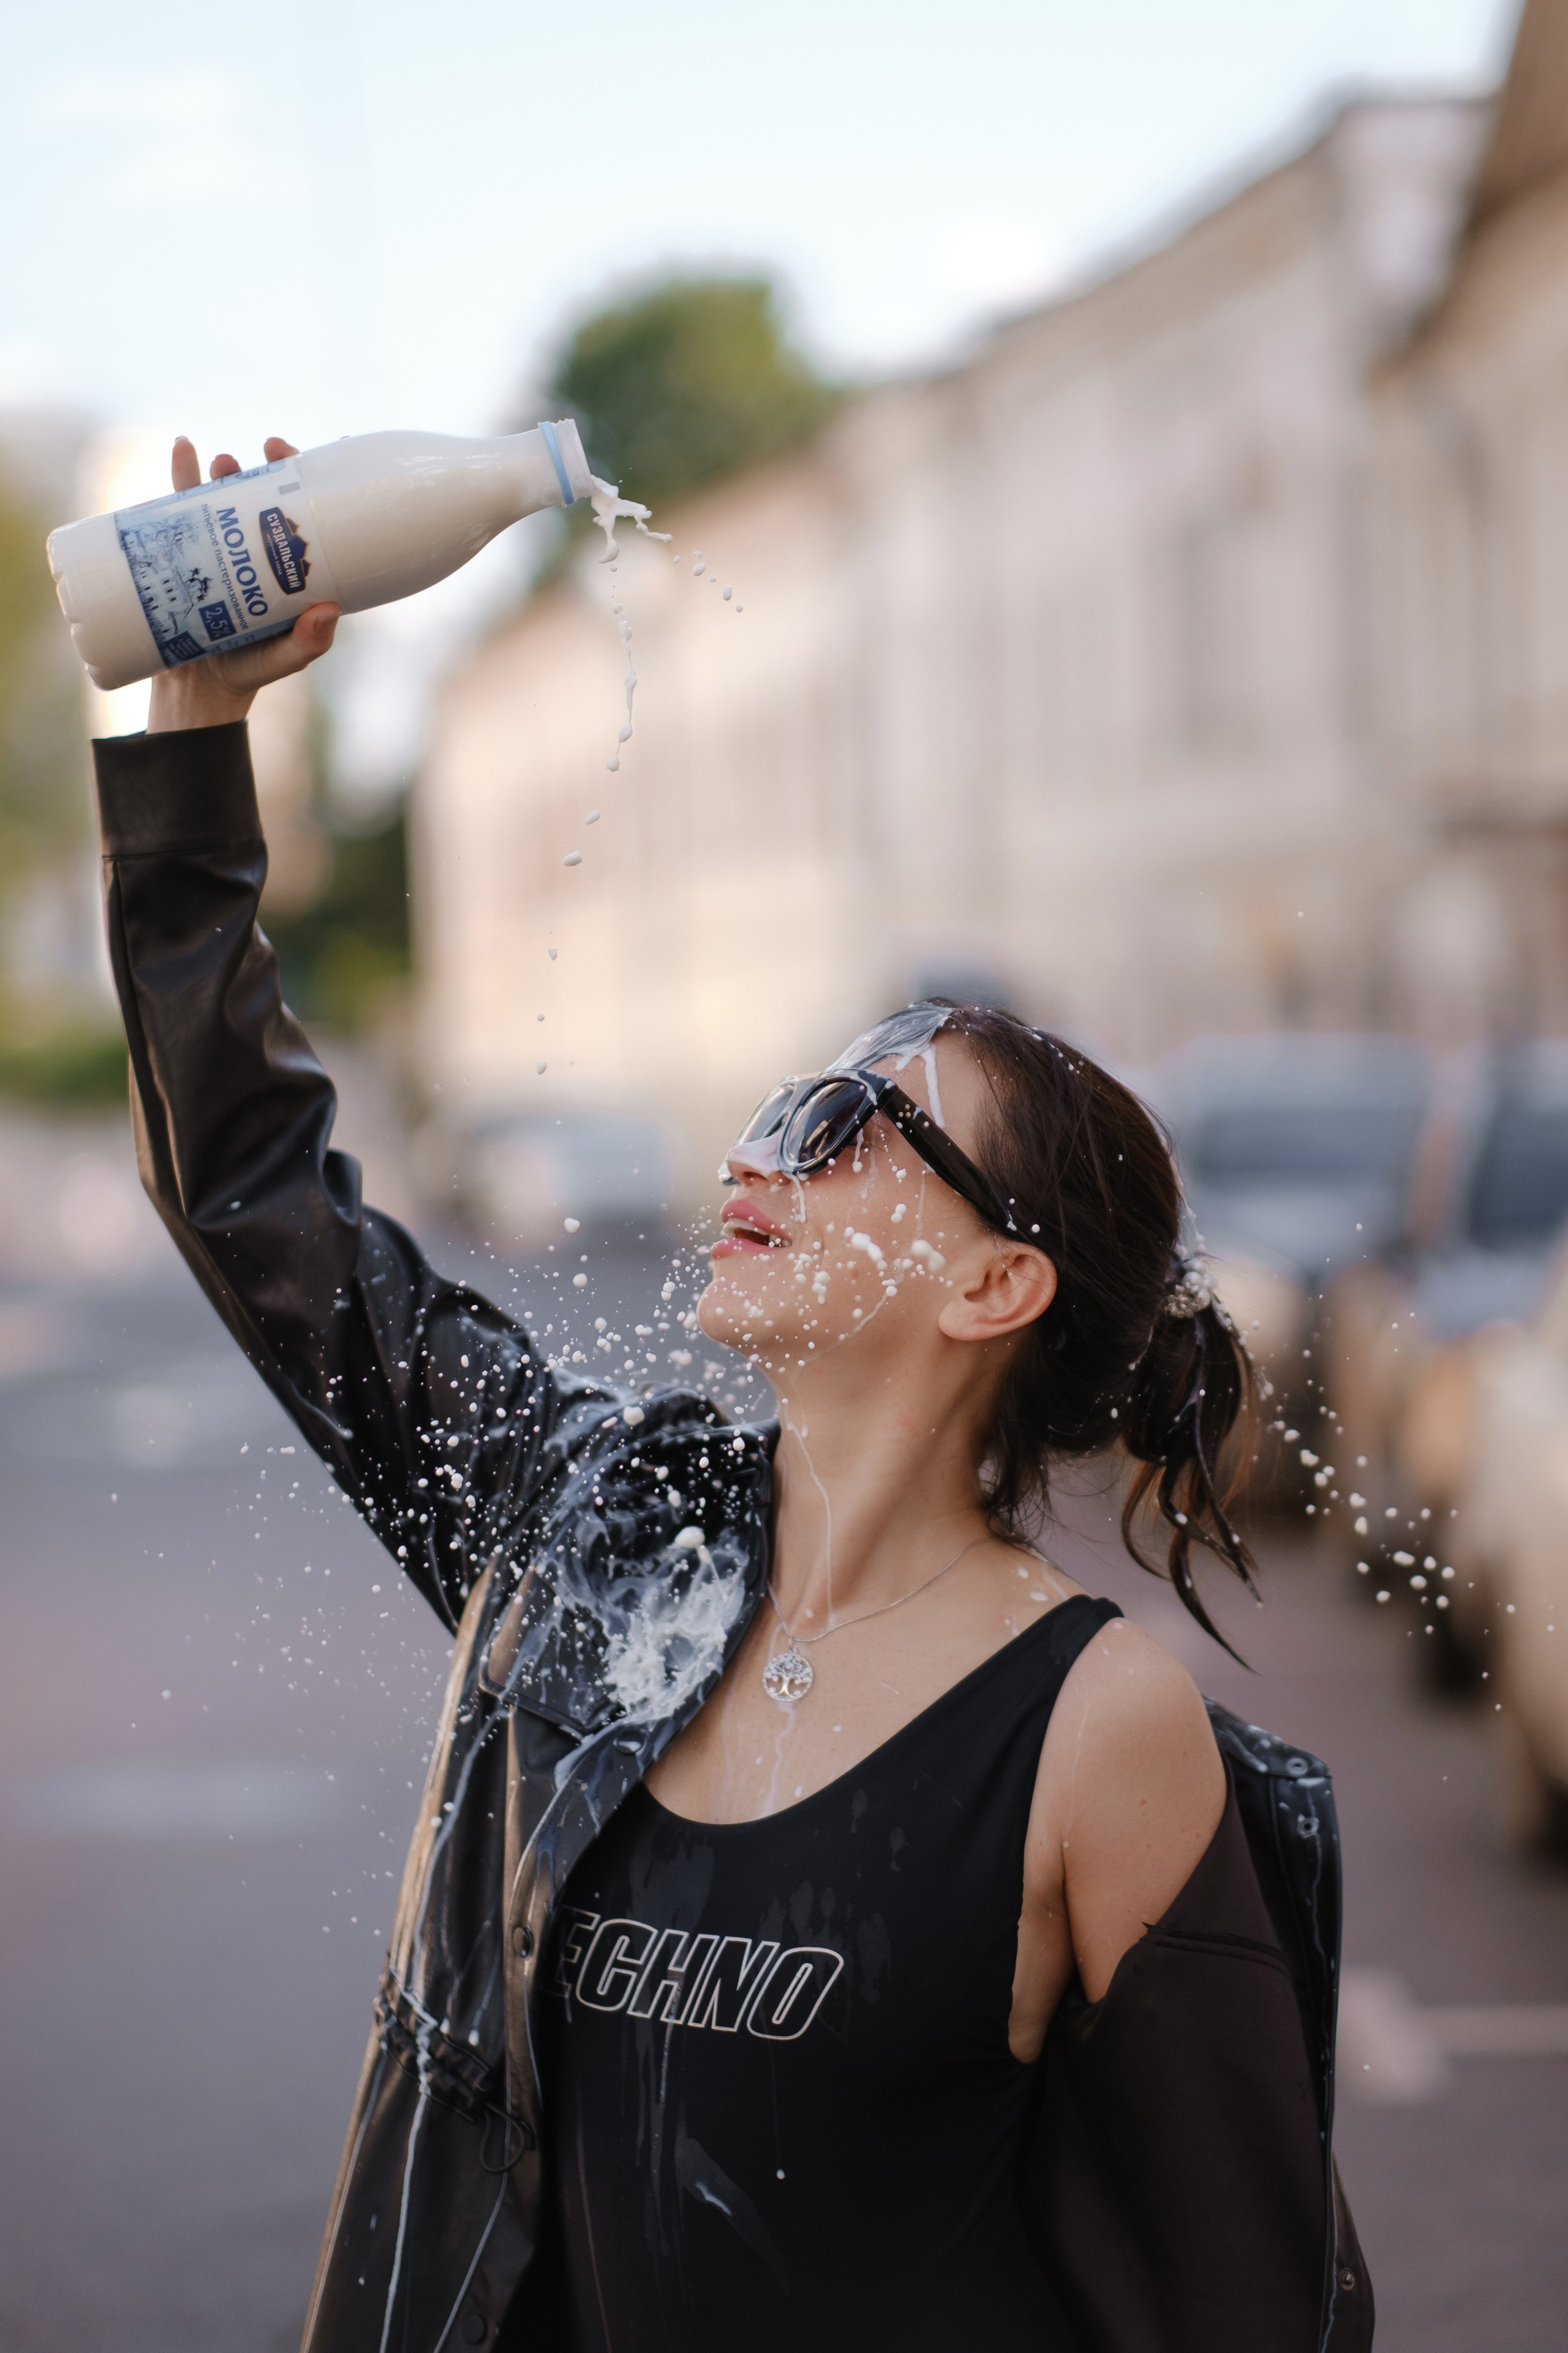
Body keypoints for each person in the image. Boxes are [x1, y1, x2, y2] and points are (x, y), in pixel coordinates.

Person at [89, 436, 1371, 2353]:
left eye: (848, 1126)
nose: (765, 1154)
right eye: (783, 1102)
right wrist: (198, 725)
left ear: (992, 1283)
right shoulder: (591, 1546)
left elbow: (1245, 2312)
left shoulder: (1096, 1730)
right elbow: (253, 1199)